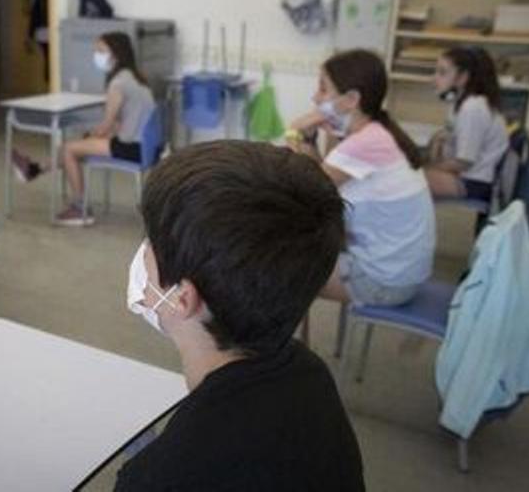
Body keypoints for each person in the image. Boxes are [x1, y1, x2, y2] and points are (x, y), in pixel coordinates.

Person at [116, 140, 364, 491]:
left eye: (150, 241)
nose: (142, 254)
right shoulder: (309, 371)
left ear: (182, 298)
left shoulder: (161, 478)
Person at [287, 49, 435, 307]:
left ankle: (267, 345)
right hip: (401, 274)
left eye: (323, 89)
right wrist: (310, 139)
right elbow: (321, 178)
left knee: (272, 270)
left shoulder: (367, 143)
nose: (315, 97)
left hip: (385, 283)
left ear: (350, 99)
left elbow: (305, 188)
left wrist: (295, 132)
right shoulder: (376, 133)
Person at [11, 32, 154, 226]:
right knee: (74, 145)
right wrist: (90, 137)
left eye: (101, 51)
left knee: (70, 148)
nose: (97, 55)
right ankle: (34, 169)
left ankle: (80, 208)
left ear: (116, 54)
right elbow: (123, 122)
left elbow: (106, 126)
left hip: (131, 147)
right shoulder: (137, 78)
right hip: (145, 146)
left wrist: (89, 136)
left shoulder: (119, 83)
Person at [425, 46, 509, 201]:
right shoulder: (464, 102)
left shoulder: (473, 107)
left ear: (462, 77)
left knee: (408, 180)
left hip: (475, 183)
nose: (434, 78)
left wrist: (429, 168)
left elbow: (464, 162)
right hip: (470, 177)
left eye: (442, 73)